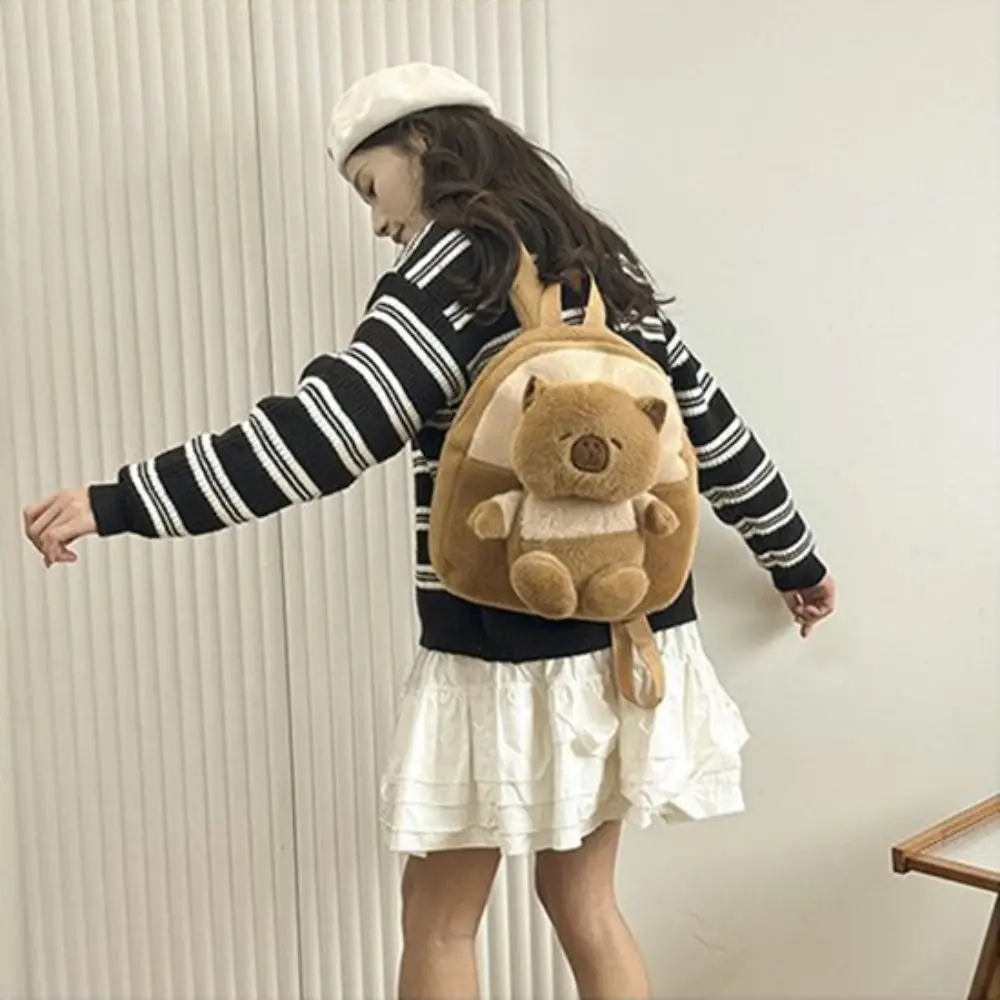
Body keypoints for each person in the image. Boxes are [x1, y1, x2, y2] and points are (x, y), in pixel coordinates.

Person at [23, 62, 835, 1000]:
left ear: (422, 143)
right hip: (630, 641)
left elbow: (323, 435)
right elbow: (712, 431)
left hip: (499, 646)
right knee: (585, 905)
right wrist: (795, 559)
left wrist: (121, 500)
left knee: (439, 919)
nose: (376, 221)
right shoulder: (601, 266)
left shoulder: (456, 263)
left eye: (370, 187)